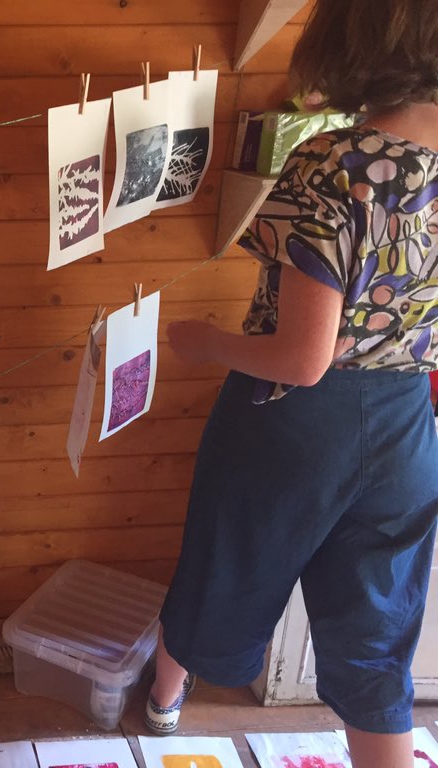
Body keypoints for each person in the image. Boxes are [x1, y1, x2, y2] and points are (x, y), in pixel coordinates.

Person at [144, 3, 438, 766]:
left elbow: (303, 361)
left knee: (225, 567)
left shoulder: (335, 161)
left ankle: (163, 704)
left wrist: (205, 343)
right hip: (407, 424)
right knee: (377, 636)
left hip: (294, 419)